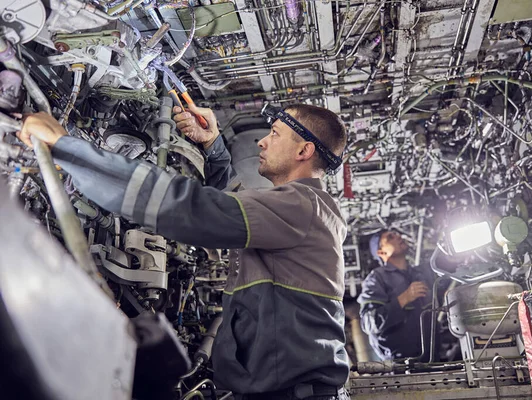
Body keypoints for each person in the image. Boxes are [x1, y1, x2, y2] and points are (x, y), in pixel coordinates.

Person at [17, 102, 350, 399]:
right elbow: (234, 204)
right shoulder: (305, 207)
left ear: (304, 150)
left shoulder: (302, 206)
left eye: (275, 134)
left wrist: (68, 149)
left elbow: (192, 208)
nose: (262, 141)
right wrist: (213, 147)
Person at [357, 230, 433, 361]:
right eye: (390, 237)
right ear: (381, 252)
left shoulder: (419, 273)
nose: (398, 236)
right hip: (400, 367)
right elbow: (368, 323)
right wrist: (404, 298)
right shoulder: (377, 278)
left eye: (397, 234)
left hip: (433, 359)